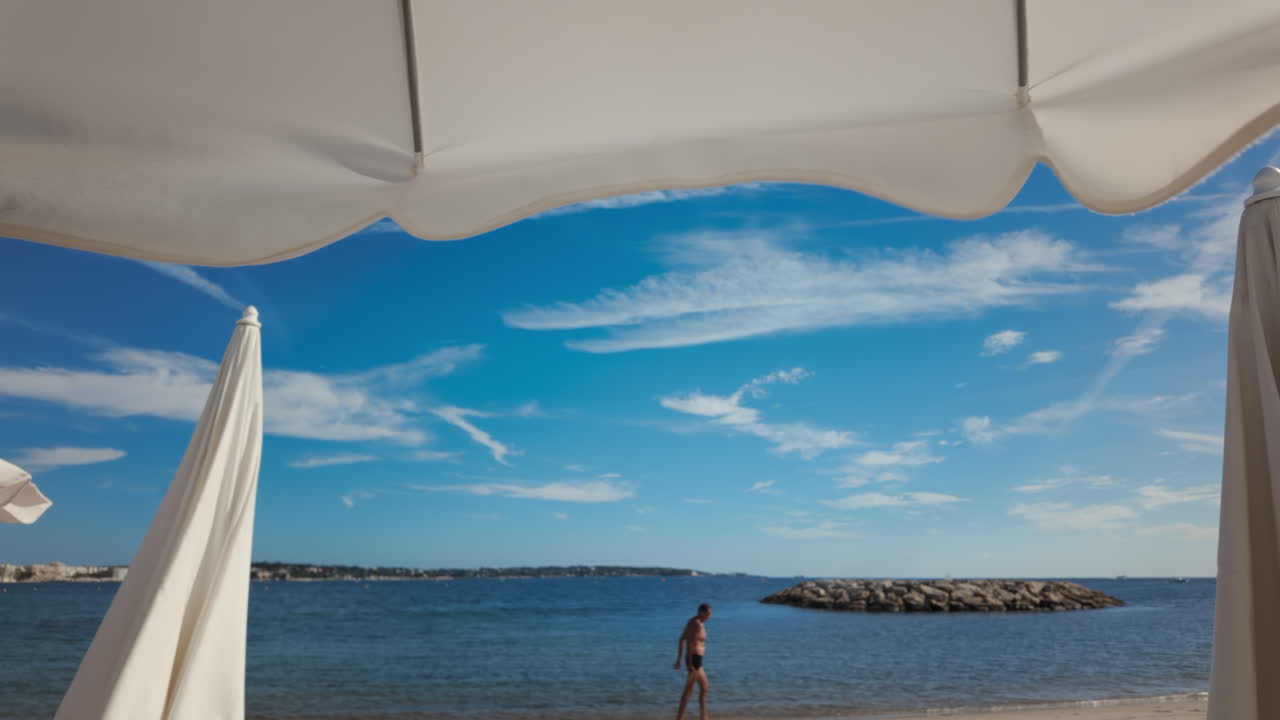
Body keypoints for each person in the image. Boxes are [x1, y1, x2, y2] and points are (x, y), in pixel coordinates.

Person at [673, 602, 712, 720]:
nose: (709, 617)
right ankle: (680, 718)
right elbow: (689, 643)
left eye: (710, 614)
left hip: (697, 659)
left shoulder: (695, 622)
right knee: (688, 691)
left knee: (704, 687)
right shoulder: (696, 624)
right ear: (701, 612)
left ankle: (703, 716)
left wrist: (679, 659)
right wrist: (689, 663)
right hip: (694, 660)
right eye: (708, 614)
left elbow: (681, 639)